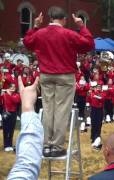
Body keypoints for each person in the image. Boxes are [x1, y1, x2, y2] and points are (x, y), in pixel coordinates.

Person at [23, 7, 94, 157]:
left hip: (46, 75)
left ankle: (47, 144)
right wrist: (81, 26)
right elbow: (88, 44)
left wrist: (35, 26)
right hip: (65, 75)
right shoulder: (69, 33)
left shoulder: (40, 33)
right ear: (64, 19)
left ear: (49, 18)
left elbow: (27, 43)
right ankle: (56, 146)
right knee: (61, 110)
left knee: (48, 109)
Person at [7, 76, 44, 179]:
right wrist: (27, 106)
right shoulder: (7, 95)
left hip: (15, 113)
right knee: (7, 131)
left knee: (11, 130)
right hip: (12, 112)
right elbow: (26, 168)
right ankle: (7, 144)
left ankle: (9, 144)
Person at [2, 83, 21, 152]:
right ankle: (6, 145)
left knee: (11, 129)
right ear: (8, 87)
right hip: (6, 113)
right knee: (6, 129)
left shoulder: (17, 95)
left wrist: (9, 94)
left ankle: (10, 144)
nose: (13, 88)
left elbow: (16, 101)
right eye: (11, 87)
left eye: (14, 87)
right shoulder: (4, 94)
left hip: (13, 113)